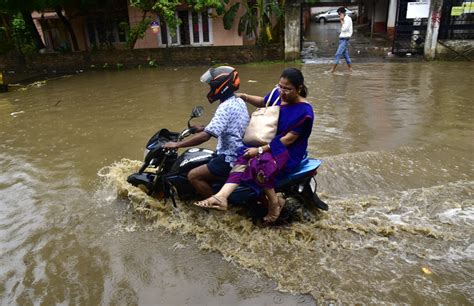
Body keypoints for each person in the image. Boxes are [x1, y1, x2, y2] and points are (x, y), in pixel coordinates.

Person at [193, 68, 314, 224]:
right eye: (280, 87)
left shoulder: (305, 112)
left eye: (288, 89)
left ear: (299, 89)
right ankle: (221, 197)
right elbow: (264, 102)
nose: (283, 92)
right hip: (269, 141)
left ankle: (274, 203)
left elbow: (288, 140)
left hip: (286, 150)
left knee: (257, 162)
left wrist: (259, 150)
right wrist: (245, 96)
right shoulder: (278, 94)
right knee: (241, 154)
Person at [163, 66, 249, 198]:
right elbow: (229, 125)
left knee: (193, 175)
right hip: (239, 152)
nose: (210, 89)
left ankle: (215, 207)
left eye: (211, 86)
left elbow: (205, 137)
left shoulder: (225, 107)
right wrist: (202, 127)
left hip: (229, 157)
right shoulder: (238, 101)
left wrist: (177, 145)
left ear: (221, 86)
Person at [330, 7, 353, 73]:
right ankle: (350, 69)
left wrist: (341, 20)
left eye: (339, 13)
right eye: (338, 14)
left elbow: (344, 29)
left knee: (338, 54)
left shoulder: (348, 19)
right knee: (346, 55)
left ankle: (333, 70)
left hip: (344, 40)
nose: (338, 15)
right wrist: (342, 20)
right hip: (342, 40)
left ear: (342, 13)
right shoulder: (345, 19)